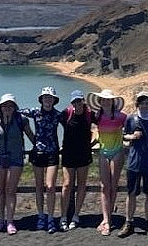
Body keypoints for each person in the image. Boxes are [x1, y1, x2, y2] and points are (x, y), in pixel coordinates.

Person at [118, 92, 148, 238]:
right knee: (131, 193)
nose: (144, 106)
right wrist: (132, 136)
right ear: (137, 104)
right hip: (134, 162)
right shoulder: (131, 118)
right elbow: (124, 135)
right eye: (141, 103)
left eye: (146, 103)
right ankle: (128, 222)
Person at [0, 93, 34, 235]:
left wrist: (40, 147)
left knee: (11, 190)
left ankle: (10, 221)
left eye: (10, 105)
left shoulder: (21, 119)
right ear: (0, 107)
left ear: (14, 107)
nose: (7, 108)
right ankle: (0, 220)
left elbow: (30, 135)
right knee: (0, 190)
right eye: (5, 105)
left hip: (15, 157)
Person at [20, 87, 62, 233]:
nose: (48, 100)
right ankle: (41, 216)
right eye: (45, 97)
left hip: (52, 153)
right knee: (39, 186)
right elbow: (16, 111)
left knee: (50, 186)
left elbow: (71, 125)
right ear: (41, 99)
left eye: (50, 97)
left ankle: (50, 217)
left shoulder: (58, 115)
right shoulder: (35, 112)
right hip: (38, 153)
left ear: (54, 100)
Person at [87, 88, 127, 236]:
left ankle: (107, 219)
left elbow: (132, 127)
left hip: (117, 152)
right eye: (103, 100)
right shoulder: (97, 117)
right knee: (104, 187)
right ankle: (106, 219)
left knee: (113, 186)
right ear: (100, 101)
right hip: (103, 152)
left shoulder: (121, 116)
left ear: (112, 102)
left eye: (108, 100)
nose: (105, 102)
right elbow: (94, 132)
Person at [58, 89, 95, 231]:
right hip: (68, 153)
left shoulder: (89, 114)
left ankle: (75, 215)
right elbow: (51, 122)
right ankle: (63, 216)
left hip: (84, 154)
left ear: (83, 101)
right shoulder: (66, 113)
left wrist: (95, 141)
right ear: (72, 103)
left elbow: (104, 123)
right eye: (75, 101)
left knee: (81, 185)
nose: (77, 103)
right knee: (67, 184)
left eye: (79, 101)